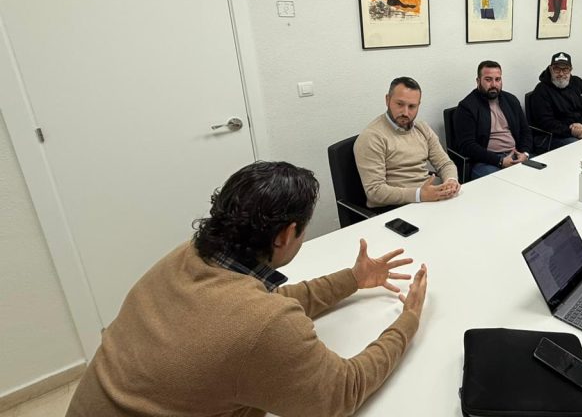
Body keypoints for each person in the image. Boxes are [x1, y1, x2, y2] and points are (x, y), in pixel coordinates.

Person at [67, 161, 428, 417]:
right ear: (286, 235)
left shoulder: (188, 256)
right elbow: (341, 393)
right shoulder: (265, 323)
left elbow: (257, 307)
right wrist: (408, 321)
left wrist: (352, 279)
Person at [355, 77, 459, 209]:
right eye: (400, 104)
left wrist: (451, 181)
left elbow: (445, 163)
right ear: (387, 100)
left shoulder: (422, 128)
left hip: (429, 199)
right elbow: (375, 192)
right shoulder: (372, 137)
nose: (405, 112)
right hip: (396, 208)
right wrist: (420, 195)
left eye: (412, 106)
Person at [455, 60, 532, 180]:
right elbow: (468, 146)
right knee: (505, 184)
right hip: (486, 161)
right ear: (478, 81)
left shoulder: (511, 100)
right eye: (488, 79)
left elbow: (525, 131)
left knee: (541, 176)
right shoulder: (467, 107)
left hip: (516, 155)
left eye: (497, 79)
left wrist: (525, 153)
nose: (494, 84)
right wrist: (499, 161)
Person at [528, 52, 582, 151]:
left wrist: (581, 123)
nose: (561, 74)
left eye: (565, 69)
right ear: (551, 69)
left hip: (580, 127)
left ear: (570, 70)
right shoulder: (541, 90)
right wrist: (571, 131)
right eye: (557, 69)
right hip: (552, 135)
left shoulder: (577, 82)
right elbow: (546, 122)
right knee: (579, 148)